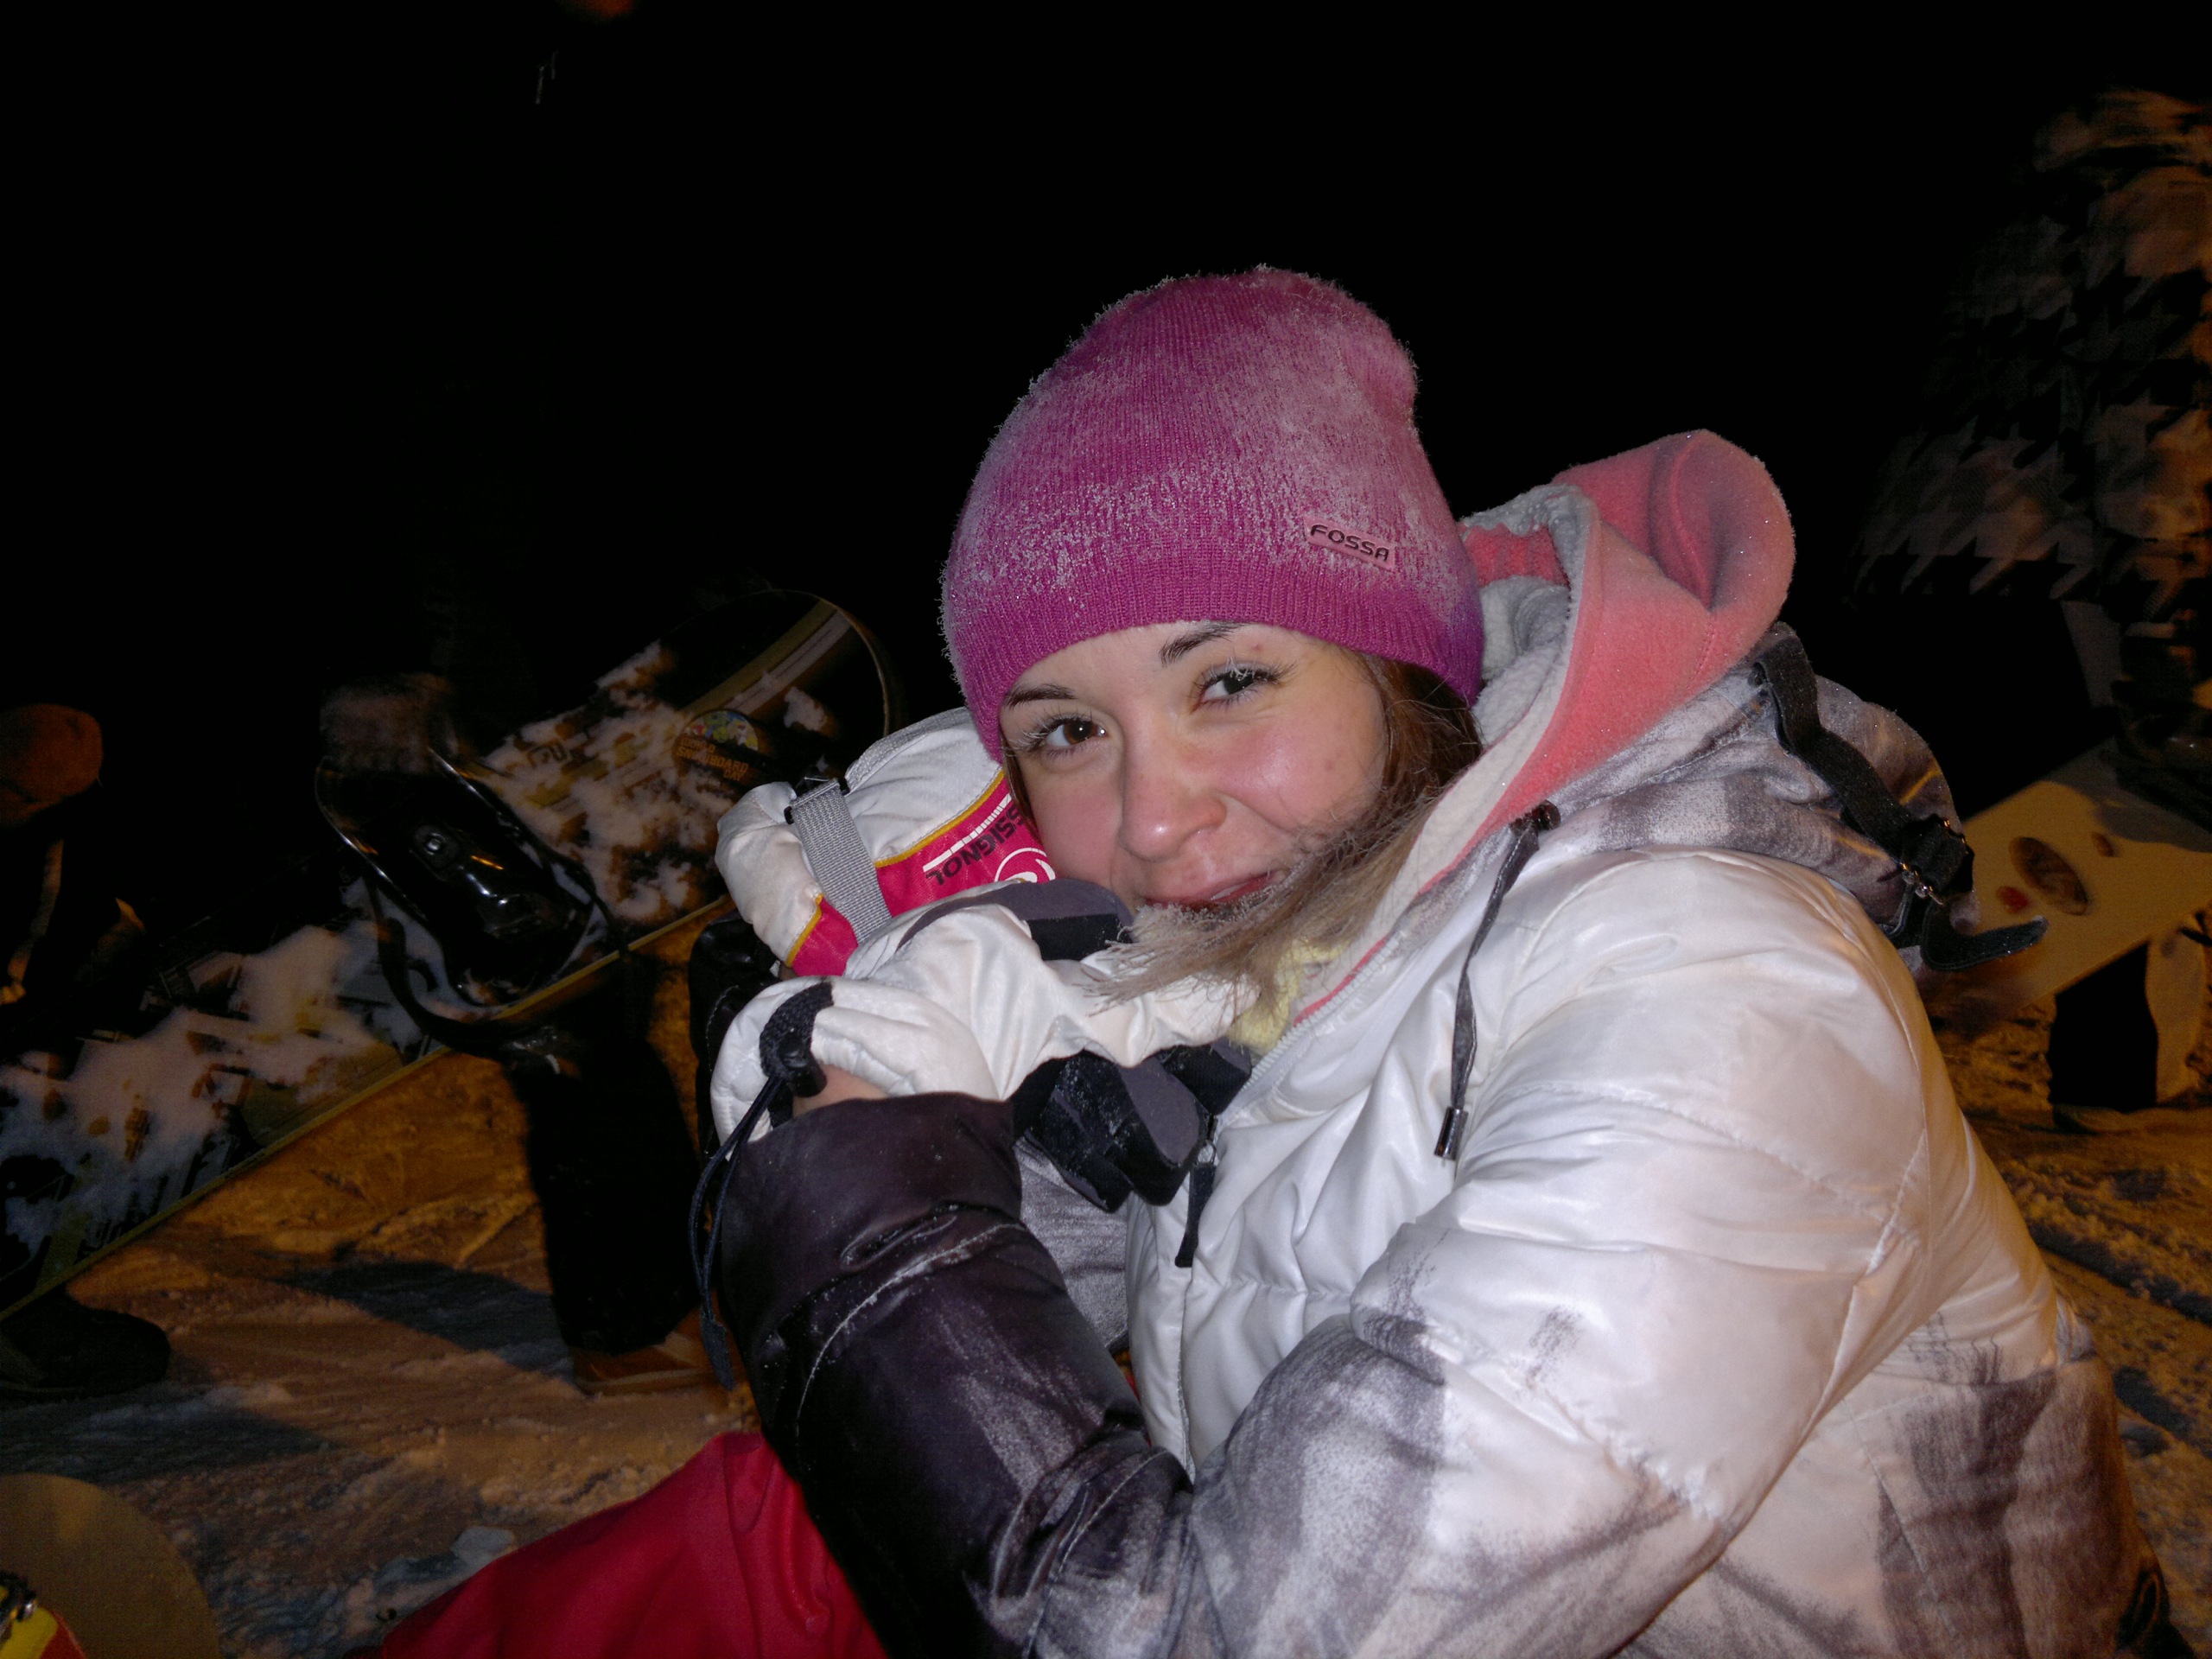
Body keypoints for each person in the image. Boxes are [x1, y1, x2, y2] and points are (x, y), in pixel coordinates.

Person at [379, 272, 2181, 1656]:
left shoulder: (1715, 997)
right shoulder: (1301, 937)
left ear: (1401, 666)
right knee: (765, 1542)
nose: (1153, 817)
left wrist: (855, 1202)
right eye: (1066, 730)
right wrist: (918, 1057)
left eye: (1227, 679)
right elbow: (1033, 1340)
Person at [0, 704, 169, 1403]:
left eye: (33, 798)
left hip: (29, 1023)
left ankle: (23, 1304)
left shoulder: (63, 849)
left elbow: (87, 940)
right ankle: (18, 1334)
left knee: (53, 1111)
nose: (18, 808)